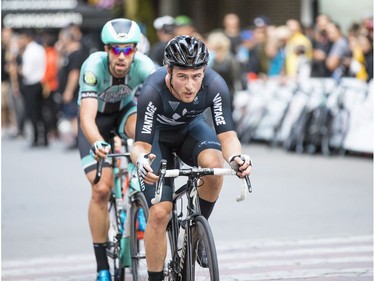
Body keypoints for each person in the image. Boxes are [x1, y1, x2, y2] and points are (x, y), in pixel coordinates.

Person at [130, 35, 252, 281]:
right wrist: (142, 161)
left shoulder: (215, 85)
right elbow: (140, 145)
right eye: (182, 76)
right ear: (169, 70)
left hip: (190, 131)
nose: (190, 85)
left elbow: (227, 136)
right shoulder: (152, 89)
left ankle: (196, 235)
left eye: (196, 76)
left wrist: (237, 158)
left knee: (214, 166)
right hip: (158, 139)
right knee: (160, 213)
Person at [77, 18, 156, 281]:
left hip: (124, 114)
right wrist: (98, 141)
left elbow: (159, 106)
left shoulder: (145, 66)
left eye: (128, 50)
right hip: (95, 121)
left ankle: (138, 190)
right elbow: (87, 116)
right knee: (101, 189)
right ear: (107, 49)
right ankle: (102, 266)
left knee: (143, 131)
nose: (122, 56)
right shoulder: (93, 66)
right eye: (115, 49)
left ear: (136, 50)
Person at [18, 29, 48, 147]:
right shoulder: (40, 49)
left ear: (27, 38)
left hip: (30, 84)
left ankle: (36, 138)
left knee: (32, 113)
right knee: (41, 112)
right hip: (40, 83)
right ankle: (44, 138)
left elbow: (26, 71)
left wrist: (18, 70)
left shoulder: (28, 52)